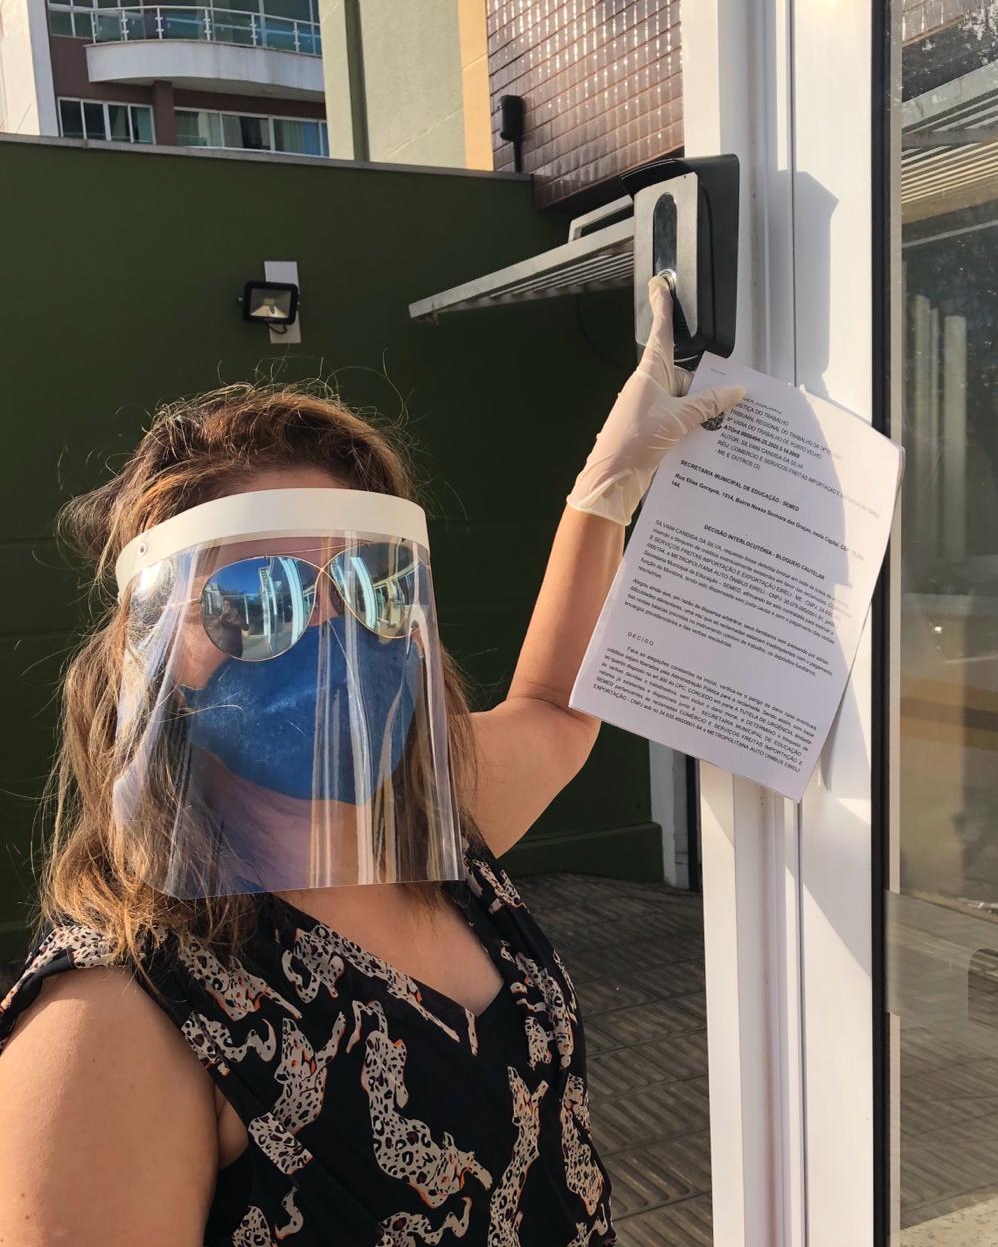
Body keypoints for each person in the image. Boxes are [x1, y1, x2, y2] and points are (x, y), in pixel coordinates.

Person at [0, 276, 743, 1247]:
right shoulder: (116, 1019)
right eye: (254, 598)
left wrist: (606, 489)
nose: (331, 627)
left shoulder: (421, 827)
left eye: (370, 582)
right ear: (154, 656)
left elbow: (554, 711)